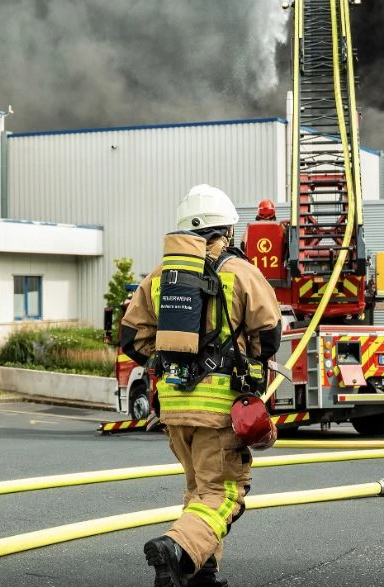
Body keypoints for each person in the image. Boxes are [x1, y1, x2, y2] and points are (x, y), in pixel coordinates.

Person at [119, 184, 282, 587]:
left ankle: (201, 573)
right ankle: (176, 548)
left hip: (174, 408)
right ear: (226, 231)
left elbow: (131, 339)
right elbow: (270, 335)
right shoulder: (241, 271)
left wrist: (168, 362)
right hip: (221, 409)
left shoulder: (160, 277)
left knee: (198, 489)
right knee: (225, 493)